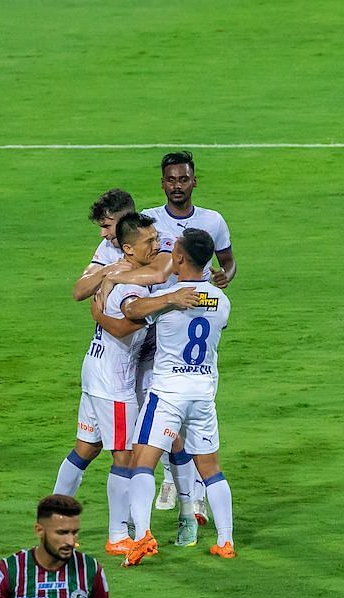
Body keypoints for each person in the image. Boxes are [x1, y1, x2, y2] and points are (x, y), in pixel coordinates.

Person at [54, 208, 200, 561]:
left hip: (96, 371)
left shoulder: (122, 274)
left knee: (85, 448)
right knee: (127, 456)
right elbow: (126, 321)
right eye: (150, 241)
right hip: (115, 382)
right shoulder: (127, 283)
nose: (156, 245)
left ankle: (53, 517)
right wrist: (169, 302)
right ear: (130, 248)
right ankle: (119, 534)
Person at [124, 229, 236, 559]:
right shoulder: (223, 301)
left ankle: (142, 535)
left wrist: (168, 298)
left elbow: (133, 311)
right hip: (202, 395)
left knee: (142, 462)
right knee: (211, 469)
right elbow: (211, 316)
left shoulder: (170, 298)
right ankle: (225, 541)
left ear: (180, 258)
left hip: (167, 394)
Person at [141, 151, 236, 517]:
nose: (177, 186)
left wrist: (227, 277)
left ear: (194, 181)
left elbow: (227, 262)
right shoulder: (150, 220)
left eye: (183, 179)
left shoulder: (213, 221)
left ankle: (190, 488)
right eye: (171, 180)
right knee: (165, 404)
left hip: (194, 315)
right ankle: (173, 477)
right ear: (162, 182)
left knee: (178, 402)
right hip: (160, 317)